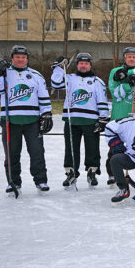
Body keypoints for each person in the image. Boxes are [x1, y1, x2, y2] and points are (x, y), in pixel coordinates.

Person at [0, 45, 52, 195]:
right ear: (12, 58)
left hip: (32, 121)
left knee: (37, 152)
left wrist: (46, 114)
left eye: (23, 57)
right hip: (10, 121)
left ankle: (41, 180)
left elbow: (43, 97)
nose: (20, 60)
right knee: (12, 153)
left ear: (27, 59)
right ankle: (13, 182)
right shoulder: (4, 74)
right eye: (17, 57)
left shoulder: (36, 75)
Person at [50, 52, 109, 188]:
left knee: (92, 148)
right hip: (72, 120)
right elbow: (56, 82)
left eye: (86, 64)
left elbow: (102, 100)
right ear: (77, 65)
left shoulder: (97, 81)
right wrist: (59, 67)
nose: (83, 66)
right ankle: (71, 173)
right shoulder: (69, 78)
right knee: (71, 148)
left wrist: (103, 118)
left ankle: (91, 172)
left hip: (91, 120)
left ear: (90, 65)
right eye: (81, 63)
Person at [106, 46, 135, 185]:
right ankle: (113, 173)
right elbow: (116, 94)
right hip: (119, 115)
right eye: (129, 56)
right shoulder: (114, 71)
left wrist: (129, 76)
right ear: (124, 58)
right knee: (116, 147)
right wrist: (127, 83)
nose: (131, 58)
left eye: (134, 57)